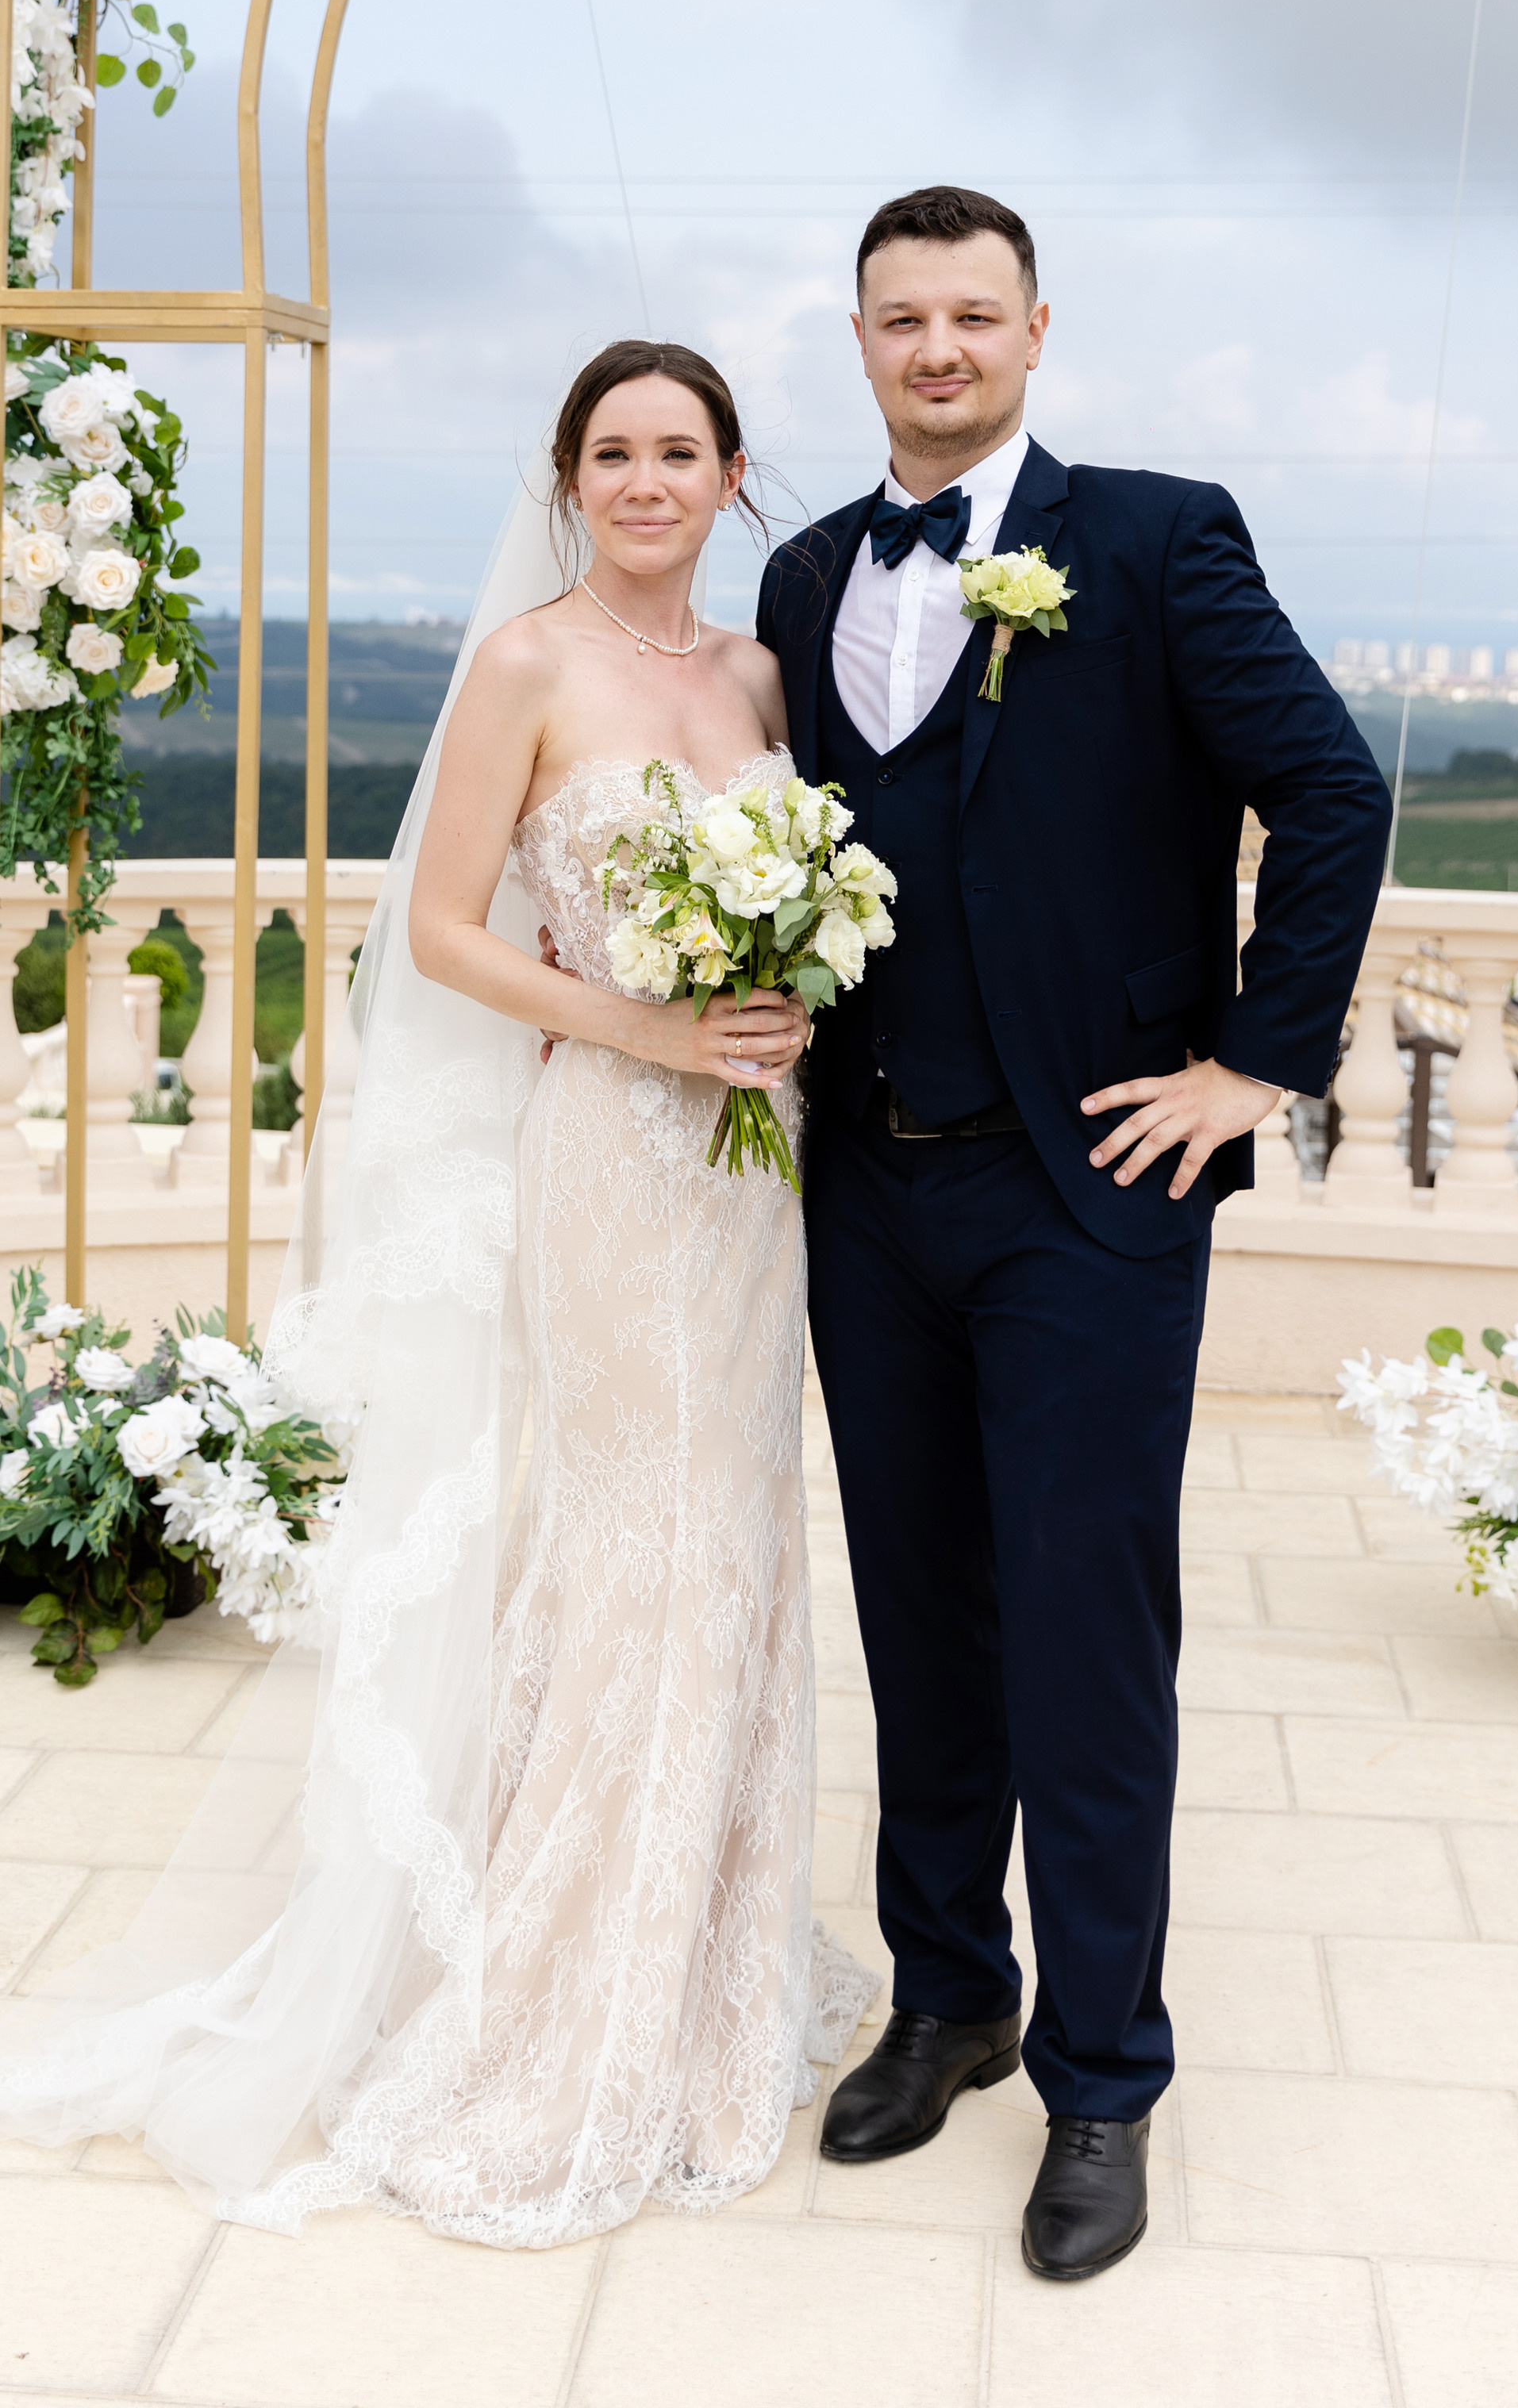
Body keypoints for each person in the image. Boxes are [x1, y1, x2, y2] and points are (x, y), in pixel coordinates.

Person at [0, 338, 876, 2245]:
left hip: (753, 1168)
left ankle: (706, 1955)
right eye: (612, 451)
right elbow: (446, 927)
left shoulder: (754, 672)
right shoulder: (525, 661)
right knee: (631, 1537)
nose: (647, 479)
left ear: (735, 476)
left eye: (681, 449)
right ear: (570, 478)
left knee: (733, 1530)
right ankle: (569, 1988)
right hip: (613, 1159)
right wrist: (646, 1021)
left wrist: (777, 988)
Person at [757, 185, 1389, 2280]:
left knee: (1085, 1634)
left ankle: (1102, 2079)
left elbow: (1331, 786)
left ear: (1037, 330)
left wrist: (1255, 1065)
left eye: (971, 316)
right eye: (898, 319)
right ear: (857, 340)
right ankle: (949, 1993)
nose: (935, 349)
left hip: (1092, 1188)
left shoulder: (1152, 536)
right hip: (867, 1180)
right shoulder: (800, 572)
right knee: (920, 1610)